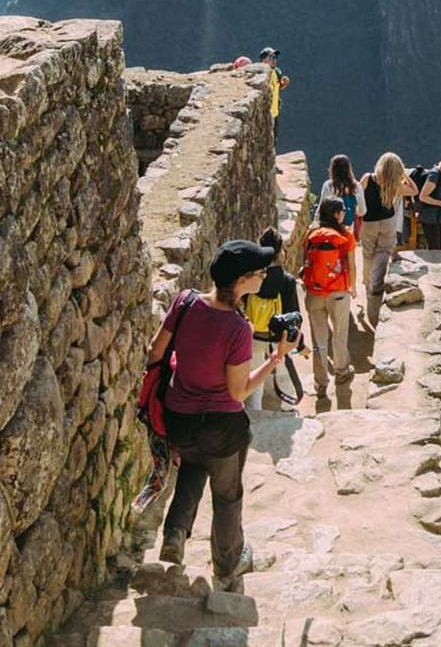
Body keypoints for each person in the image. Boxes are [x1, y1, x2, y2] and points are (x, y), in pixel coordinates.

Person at [147, 240, 298, 588]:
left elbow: (155, 351)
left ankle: (174, 534)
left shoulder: (184, 302)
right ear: (242, 280)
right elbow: (237, 391)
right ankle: (228, 565)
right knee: (228, 494)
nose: (264, 276)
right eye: (259, 272)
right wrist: (276, 358)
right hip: (222, 427)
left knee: (192, 466)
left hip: (179, 419)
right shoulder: (237, 329)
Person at [303, 197, 358, 407]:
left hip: (315, 292)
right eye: (342, 210)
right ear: (336, 214)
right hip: (338, 293)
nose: (344, 213)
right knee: (339, 333)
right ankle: (342, 371)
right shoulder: (345, 236)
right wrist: (351, 287)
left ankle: (321, 383)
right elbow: (351, 265)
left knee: (318, 340)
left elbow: (305, 261)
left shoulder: (311, 234)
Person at [243, 227, 301, 411]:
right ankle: (288, 410)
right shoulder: (287, 280)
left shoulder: (251, 276)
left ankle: (255, 414)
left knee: (255, 378)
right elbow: (294, 314)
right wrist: (299, 343)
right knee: (284, 376)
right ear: (280, 250)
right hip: (279, 339)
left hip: (254, 335)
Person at [359, 152, 418, 325]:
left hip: (369, 223)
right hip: (388, 222)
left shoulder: (368, 178)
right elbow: (414, 190)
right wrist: (404, 174)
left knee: (367, 253)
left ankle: (367, 281)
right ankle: (376, 285)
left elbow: (358, 197)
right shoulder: (395, 185)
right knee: (384, 252)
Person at [319, 154, 366, 238]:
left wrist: (315, 225)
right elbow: (362, 211)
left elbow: (321, 208)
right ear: (349, 169)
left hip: (330, 228)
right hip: (348, 228)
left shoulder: (328, 186)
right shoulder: (356, 186)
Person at [259, 47, 289, 143]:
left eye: (275, 57)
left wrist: (284, 85)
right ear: (263, 60)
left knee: (273, 140)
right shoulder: (261, 74)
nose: (274, 60)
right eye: (271, 57)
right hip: (266, 114)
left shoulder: (277, 72)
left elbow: (276, 87)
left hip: (275, 112)